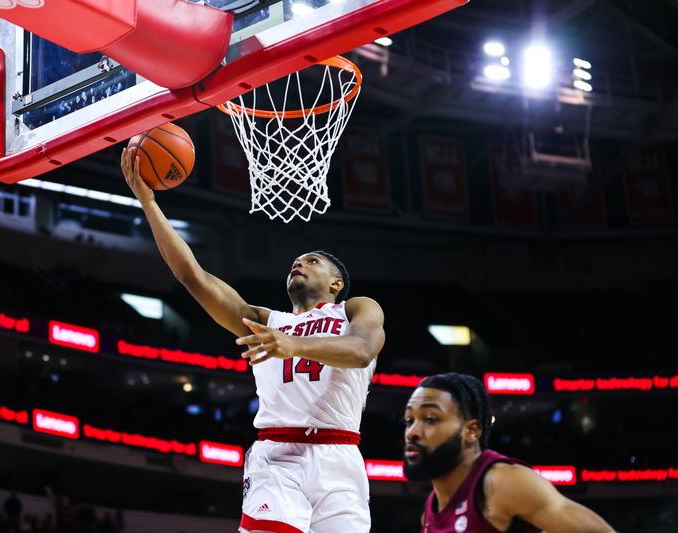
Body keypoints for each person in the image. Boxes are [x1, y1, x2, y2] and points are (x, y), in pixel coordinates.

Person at [122, 150, 385, 533]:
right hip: (278, 455)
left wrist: (292, 346)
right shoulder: (265, 321)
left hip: (341, 458)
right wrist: (149, 204)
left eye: (312, 261)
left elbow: (362, 353)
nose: (299, 263)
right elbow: (194, 277)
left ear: (336, 283)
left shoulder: (355, 310)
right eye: (296, 261)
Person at [404, 373, 616, 533]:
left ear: (471, 431)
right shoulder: (431, 511)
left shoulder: (501, 483)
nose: (412, 432)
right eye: (409, 420)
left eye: (430, 419)